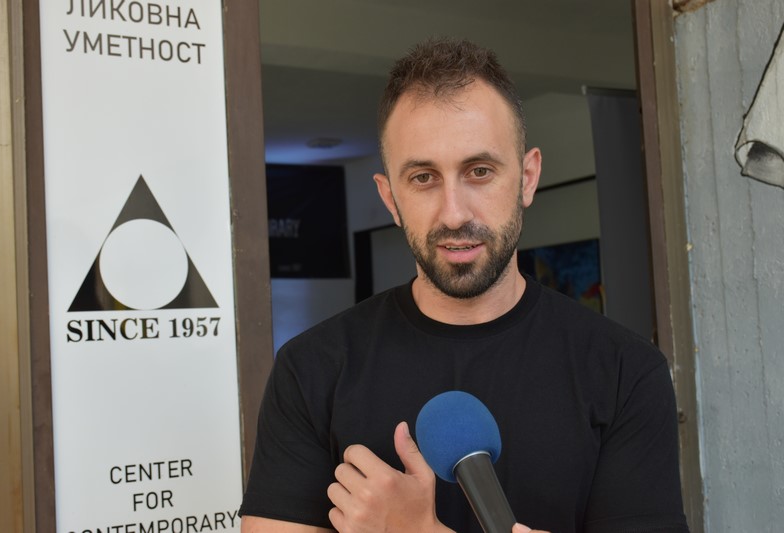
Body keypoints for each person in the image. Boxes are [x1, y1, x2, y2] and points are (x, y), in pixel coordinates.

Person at [239, 38, 689, 533]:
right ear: (390, 199)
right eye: (423, 177)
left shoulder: (625, 373)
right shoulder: (312, 369)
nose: (454, 214)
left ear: (527, 178)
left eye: (479, 171)